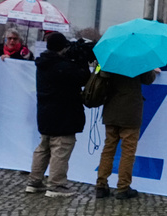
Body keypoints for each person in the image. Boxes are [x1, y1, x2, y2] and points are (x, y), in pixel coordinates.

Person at [26, 32, 90, 197]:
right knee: (60, 149)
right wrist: (82, 61)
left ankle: (34, 181)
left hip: (46, 113)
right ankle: (56, 185)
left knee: (44, 147)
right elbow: (83, 77)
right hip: (64, 114)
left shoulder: (44, 63)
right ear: (62, 48)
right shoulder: (62, 66)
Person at [95, 67, 159, 200]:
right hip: (130, 111)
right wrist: (150, 68)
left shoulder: (110, 60)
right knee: (128, 151)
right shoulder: (137, 59)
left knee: (108, 148)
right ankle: (123, 187)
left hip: (111, 109)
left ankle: (101, 185)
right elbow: (148, 80)